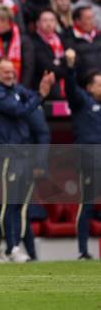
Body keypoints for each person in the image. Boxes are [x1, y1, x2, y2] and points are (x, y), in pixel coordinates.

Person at [0, 57, 55, 262]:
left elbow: (33, 98)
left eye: (12, 70)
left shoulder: (16, 90)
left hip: (23, 155)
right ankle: (10, 249)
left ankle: (13, 248)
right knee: (8, 204)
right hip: (7, 156)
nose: (10, 74)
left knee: (19, 206)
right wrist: (40, 96)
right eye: (5, 71)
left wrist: (42, 91)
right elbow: (21, 110)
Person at [64, 48, 101, 260]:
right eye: (99, 83)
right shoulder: (82, 102)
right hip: (88, 160)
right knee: (86, 205)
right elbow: (70, 88)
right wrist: (70, 68)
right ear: (89, 87)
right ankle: (82, 250)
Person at [0, 5, 35, 88]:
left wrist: (21, 90)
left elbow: (28, 69)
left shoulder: (23, 41)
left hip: (18, 88)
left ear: (6, 22)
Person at [31, 9, 67, 100]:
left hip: (65, 86)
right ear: (38, 23)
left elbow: (75, 60)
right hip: (44, 87)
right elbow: (45, 66)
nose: (49, 23)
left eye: (52, 20)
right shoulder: (33, 41)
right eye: (45, 20)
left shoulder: (63, 38)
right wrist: (66, 69)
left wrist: (58, 62)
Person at [65, 6, 101, 84]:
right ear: (78, 21)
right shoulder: (69, 39)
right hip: (86, 83)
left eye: (93, 17)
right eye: (88, 18)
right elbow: (74, 65)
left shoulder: (98, 35)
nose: (93, 21)